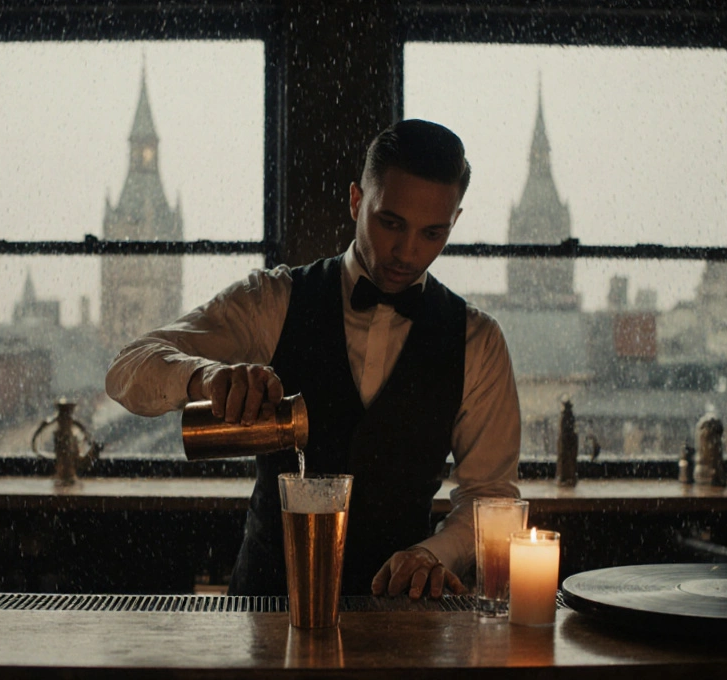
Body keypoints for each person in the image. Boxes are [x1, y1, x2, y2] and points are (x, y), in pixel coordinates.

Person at [106, 119, 520, 599]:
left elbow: (492, 498)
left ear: (455, 222)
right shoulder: (272, 300)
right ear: (355, 202)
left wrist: (434, 554)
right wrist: (206, 376)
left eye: (432, 233)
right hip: (264, 608)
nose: (408, 252)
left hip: (397, 620)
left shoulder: (478, 341)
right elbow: (127, 368)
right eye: (390, 223)